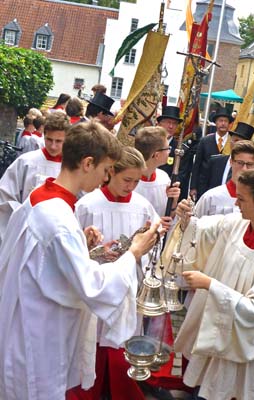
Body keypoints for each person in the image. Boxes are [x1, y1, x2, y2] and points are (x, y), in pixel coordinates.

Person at [0, 120, 161, 400]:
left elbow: (45, 264)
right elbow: (94, 288)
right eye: (104, 169)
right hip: (40, 333)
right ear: (88, 163)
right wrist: (134, 252)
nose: (104, 178)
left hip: (25, 320)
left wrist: (84, 248)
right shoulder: (59, 220)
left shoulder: (41, 200)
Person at [163, 168, 254, 400]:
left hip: (250, 345)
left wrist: (211, 285)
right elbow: (205, 229)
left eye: (242, 198)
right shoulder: (240, 223)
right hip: (221, 330)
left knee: (238, 391)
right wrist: (187, 220)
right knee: (210, 386)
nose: (235, 203)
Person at [75, 146, 161, 400]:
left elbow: (151, 243)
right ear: (111, 171)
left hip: (127, 285)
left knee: (122, 341)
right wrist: (96, 250)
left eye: (137, 181)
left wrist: (149, 241)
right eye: (127, 180)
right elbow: (73, 246)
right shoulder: (87, 204)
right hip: (96, 285)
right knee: (92, 339)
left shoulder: (143, 206)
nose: (132, 186)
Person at [0, 112, 70, 245]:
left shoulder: (71, 166)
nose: (53, 146)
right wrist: (23, 218)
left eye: (59, 141)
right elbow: (4, 197)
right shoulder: (26, 162)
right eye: (49, 139)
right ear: (44, 135)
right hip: (25, 233)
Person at [194, 140, 254, 218]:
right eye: (240, 163)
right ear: (231, 162)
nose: (244, 169)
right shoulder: (211, 197)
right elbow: (193, 226)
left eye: (249, 164)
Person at [134, 126, 180, 225]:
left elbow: (169, 218)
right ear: (157, 155)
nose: (170, 152)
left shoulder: (163, 178)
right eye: (168, 148)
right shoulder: (130, 181)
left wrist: (173, 203)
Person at [190, 107, 234, 201]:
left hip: (223, 186)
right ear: (216, 123)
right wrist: (193, 187)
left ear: (229, 124)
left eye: (225, 121)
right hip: (204, 185)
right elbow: (197, 164)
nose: (223, 123)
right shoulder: (205, 141)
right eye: (220, 120)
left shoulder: (232, 143)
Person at [202, 122, 254, 193]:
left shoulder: (253, 169)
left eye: (241, 142)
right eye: (235, 140)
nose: (237, 144)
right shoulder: (215, 161)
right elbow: (203, 184)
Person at [157, 105, 183, 177]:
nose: (171, 126)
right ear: (160, 124)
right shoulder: (150, 142)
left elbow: (181, 174)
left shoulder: (179, 148)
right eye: (168, 122)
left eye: (174, 123)